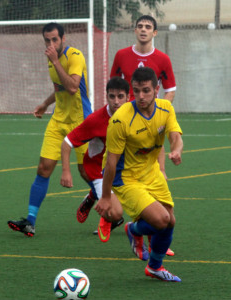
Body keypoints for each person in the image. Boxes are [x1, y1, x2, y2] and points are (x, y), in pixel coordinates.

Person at [95, 67, 183, 282]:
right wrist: (106, 196)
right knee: (161, 219)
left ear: (157, 89)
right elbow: (112, 162)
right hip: (126, 177)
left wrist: (176, 149)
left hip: (151, 171)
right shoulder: (120, 119)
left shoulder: (166, 109)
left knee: (170, 221)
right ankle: (133, 229)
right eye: (136, 91)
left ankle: (154, 267)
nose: (141, 96)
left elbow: (175, 135)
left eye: (146, 90)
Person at [7, 22, 92, 236]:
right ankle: (30, 221)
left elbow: (72, 87)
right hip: (58, 120)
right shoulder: (51, 57)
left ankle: (111, 206)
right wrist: (46, 104)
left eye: (55, 39)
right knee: (44, 168)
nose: (51, 43)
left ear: (64, 38)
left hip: (81, 120)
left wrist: (55, 61)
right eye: (47, 40)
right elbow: (60, 88)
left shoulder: (75, 56)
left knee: (86, 172)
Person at [110, 15, 177, 255]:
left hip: (151, 122)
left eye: (148, 27)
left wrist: (158, 111)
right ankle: (145, 227)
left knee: (157, 177)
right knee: (118, 164)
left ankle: (153, 235)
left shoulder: (162, 59)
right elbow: (115, 85)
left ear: (155, 32)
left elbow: (170, 89)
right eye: (140, 26)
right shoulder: (121, 55)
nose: (143, 30)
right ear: (134, 30)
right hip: (127, 126)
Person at [60, 77, 130, 242]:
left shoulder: (135, 113)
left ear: (128, 97)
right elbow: (67, 142)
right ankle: (106, 213)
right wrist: (66, 171)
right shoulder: (96, 120)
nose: (116, 101)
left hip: (125, 168)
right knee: (116, 213)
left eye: (120, 96)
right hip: (100, 170)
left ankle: (92, 196)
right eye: (111, 96)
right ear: (106, 97)